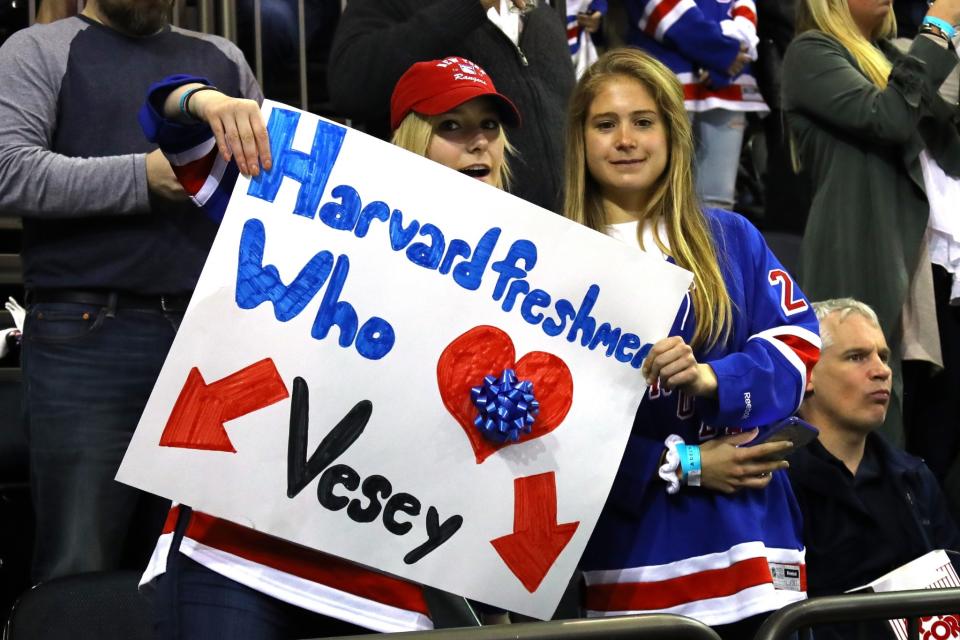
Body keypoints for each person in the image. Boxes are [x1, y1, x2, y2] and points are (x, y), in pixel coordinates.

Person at [138, 56, 520, 638]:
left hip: (381, 590)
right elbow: (174, 126)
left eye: (488, 127)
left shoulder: (523, 281)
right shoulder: (320, 206)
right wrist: (204, 100)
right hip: (235, 552)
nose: (477, 144)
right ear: (412, 139)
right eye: (451, 126)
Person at [563, 49, 821, 640]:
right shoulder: (556, 259)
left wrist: (713, 379)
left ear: (673, 134)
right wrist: (685, 464)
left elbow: (801, 348)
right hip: (639, 554)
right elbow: (553, 430)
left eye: (643, 121)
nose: (625, 140)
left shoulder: (730, 237)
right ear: (580, 138)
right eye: (606, 124)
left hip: (757, 546)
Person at [0, 0, 260, 583]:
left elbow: (264, 182)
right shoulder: (37, 50)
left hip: (210, 337)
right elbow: (7, 170)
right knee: (80, 564)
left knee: (210, 567)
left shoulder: (224, 59)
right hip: (85, 333)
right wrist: (141, 176)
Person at [782, 0, 960, 477]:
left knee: (940, 432)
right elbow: (889, 118)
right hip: (869, 256)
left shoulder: (895, 52)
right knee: (881, 423)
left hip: (937, 265)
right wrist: (940, 25)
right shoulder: (811, 53)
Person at [788, 298, 960, 640]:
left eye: (883, 355)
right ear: (808, 374)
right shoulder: (775, 479)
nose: (881, 370)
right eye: (857, 357)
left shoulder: (913, 478)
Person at [326, 0, 574, 213]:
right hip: (454, 250)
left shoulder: (544, 17)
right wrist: (469, 7)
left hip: (561, 243)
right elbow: (349, 86)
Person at [621, 0, 769, 210]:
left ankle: (708, 245)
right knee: (655, 195)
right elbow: (659, 8)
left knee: (717, 205)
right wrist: (722, 52)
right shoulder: (725, 54)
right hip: (666, 80)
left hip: (728, 85)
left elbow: (745, 7)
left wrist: (730, 51)